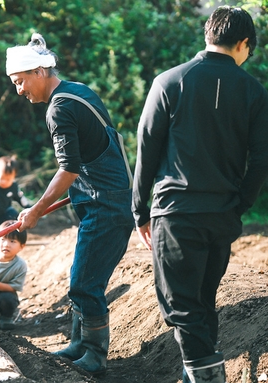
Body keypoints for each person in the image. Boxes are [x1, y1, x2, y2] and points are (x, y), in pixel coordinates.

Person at [132, 7, 268, 383]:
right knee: (203, 301)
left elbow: (147, 148)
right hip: (223, 215)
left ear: (207, 34)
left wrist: (139, 210)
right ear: (243, 43)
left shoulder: (169, 81)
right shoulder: (254, 91)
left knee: (180, 306)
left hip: (175, 213)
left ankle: (209, 376)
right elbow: (261, 159)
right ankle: (205, 370)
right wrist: (240, 204)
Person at [6, 33, 133, 375]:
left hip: (106, 206)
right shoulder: (78, 90)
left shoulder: (60, 110)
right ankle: (79, 342)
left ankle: (95, 355)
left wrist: (35, 209)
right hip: (107, 198)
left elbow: (69, 168)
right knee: (84, 275)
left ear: (40, 72)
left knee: (84, 282)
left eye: (21, 82)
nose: (20, 90)